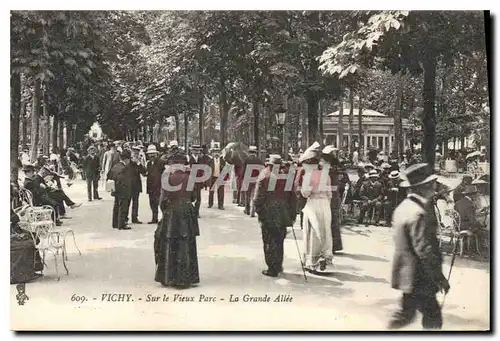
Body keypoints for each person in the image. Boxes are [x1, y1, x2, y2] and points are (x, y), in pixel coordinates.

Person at [389, 163, 450, 330]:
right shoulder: (419, 213)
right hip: (420, 275)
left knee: (405, 316)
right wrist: (439, 278)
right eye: (431, 184)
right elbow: (424, 249)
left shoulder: (402, 207)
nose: (434, 186)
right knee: (433, 318)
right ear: (421, 187)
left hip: (406, 274)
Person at [154, 149, 200, 288]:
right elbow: (194, 197)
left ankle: (170, 277)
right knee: (187, 243)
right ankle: (187, 277)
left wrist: (165, 211)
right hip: (187, 211)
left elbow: (163, 199)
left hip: (172, 212)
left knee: (170, 243)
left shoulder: (167, 177)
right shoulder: (190, 177)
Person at [254, 154, 296, 277]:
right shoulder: (286, 176)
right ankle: (278, 265)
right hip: (283, 214)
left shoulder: (264, 175)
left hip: (268, 213)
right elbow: (292, 197)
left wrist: (259, 211)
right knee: (279, 240)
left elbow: (258, 198)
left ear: (269, 164)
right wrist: (292, 215)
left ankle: (272, 268)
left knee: (268, 241)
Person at [299, 144, 333, 273]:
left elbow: (305, 193)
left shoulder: (308, 175)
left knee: (312, 231)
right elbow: (330, 194)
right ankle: (323, 257)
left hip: (313, 203)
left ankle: (312, 261)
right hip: (325, 204)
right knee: (324, 230)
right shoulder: (326, 175)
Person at [322, 145, 343, 253]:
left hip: (329, 197)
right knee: (334, 221)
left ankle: (331, 246)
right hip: (335, 197)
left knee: (329, 221)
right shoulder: (337, 168)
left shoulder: (329, 170)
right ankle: (335, 245)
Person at [107, 149, 133, 230]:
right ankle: (121, 224)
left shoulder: (115, 166)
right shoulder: (125, 168)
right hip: (123, 190)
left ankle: (115, 223)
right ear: (127, 159)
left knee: (116, 206)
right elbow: (125, 181)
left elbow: (109, 176)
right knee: (123, 207)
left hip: (115, 190)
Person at [242, 146, 265, 217]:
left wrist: (243, 177)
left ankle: (247, 209)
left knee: (247, 195)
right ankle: (253, 210)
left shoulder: (246, 160)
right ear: (255, 153)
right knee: (255, 196)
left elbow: (243, 170)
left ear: (249, 153)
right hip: (256, 180)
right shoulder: (259, 161)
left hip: (248, 180)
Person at [146, 144, 165, 224]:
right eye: (150, 154)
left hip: (159, 186)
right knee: (152, 203)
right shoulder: (149, 163)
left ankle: (163, 219)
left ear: (156, 154)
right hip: (151, 187)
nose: (152, 155)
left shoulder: (161, 162)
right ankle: (154, 218)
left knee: (160, 203)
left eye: (153, 153)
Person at [129, 146, 147, 224]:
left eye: (137, 153)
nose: (135, 155)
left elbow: (143, 172)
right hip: (128, 185)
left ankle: (134, 217)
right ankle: (125, 218)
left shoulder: (138, 163)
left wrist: (139, 163)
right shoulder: (128, 162)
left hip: (136, 185)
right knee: (127, 202)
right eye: (134, 153)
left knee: (135, 202)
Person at [188, 145, 204, 218]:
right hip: (191, 181)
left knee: (198, 198)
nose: (196, 152)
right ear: (192, 151)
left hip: (198, 182)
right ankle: (191, 212)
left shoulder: (201, 159)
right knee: (190, 197)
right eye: (195, 150)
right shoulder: (189, 159)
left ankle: (196, 212)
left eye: (198, 151)